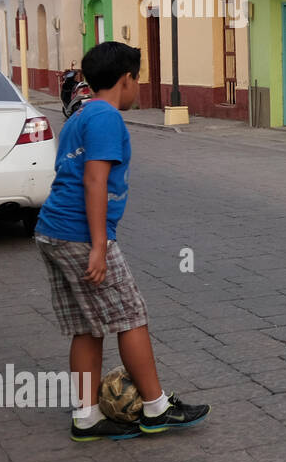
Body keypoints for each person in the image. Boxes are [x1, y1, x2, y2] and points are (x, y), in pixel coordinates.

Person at [34, 42, 210, 441]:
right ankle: (155, 407)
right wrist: (98, 246)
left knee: (87, 325)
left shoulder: (80, 114)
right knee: (131, 315)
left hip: (52, 231)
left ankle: (86, 416)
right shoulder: (106, 118)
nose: (138, 87)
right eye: (138, 79)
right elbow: (94, 180)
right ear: (126, 80)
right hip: (79, 236)